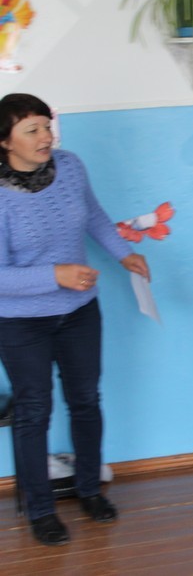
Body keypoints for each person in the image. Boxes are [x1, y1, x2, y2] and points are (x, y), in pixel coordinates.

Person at [0, 93, 150, 546]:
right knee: (34, 412)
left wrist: (124, 255)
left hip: (80, 312)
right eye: (32, 130)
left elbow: (95, 217)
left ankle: (89, 490)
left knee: (86, 401)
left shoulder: (70, 166)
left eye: (47, 126)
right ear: (5, 141)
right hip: (22, 323)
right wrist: (56, 275)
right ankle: (41, 511)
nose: (46, 137)